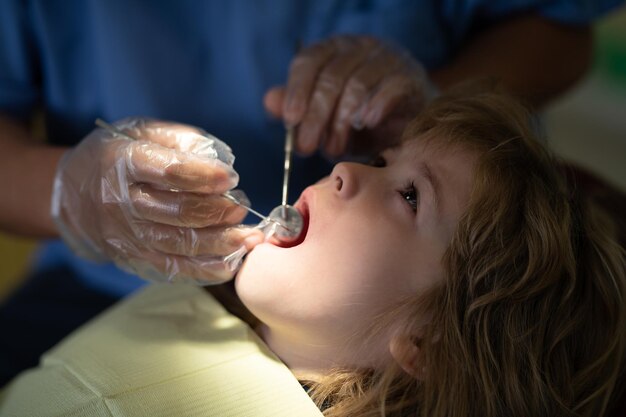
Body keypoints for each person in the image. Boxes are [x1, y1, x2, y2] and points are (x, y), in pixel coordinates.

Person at [0, 0, 623, 386]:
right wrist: (65, 188)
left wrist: (441, 93)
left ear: (426, 345)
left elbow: (561, 26)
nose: (346, 171)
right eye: (381, 158)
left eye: (409, 195)